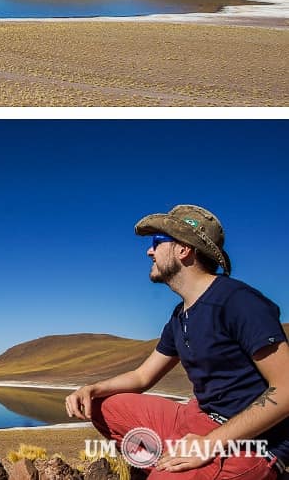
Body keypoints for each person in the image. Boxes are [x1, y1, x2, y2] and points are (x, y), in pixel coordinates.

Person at [65, 204, 289, 480]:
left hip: (250, 443)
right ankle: (168, 464)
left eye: (157, 243)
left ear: (184, 250)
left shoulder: (237, 301)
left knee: (167, 476)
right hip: (195, 420)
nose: (149, 251)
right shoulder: (180, 315)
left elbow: (287, 389)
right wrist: (91, 388)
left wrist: (210, 442)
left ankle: (174, 469)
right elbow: (141, 376)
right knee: (103, 405)